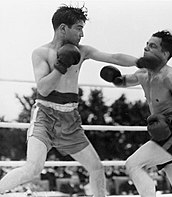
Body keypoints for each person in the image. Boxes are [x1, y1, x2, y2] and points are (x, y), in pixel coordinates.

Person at [0, 4, 137, 196]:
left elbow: (113, 57)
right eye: (79, 28)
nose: (82, 34)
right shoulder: (40, 53)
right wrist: (61, 65)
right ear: (63, 28)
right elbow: (43, 88)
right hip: (45, 117)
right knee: (32, 168)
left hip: (70, 119)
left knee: (96, 168)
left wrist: (140, 62)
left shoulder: (83, 51)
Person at [100, 30, 172, 197]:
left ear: (164, 53)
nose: (146, 48)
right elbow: (124, 82)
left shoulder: (171, 77)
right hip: (164, 132)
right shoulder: (142, 73)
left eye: (152, 46)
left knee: (133, 165)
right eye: (146, 45)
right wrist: (114, 79)